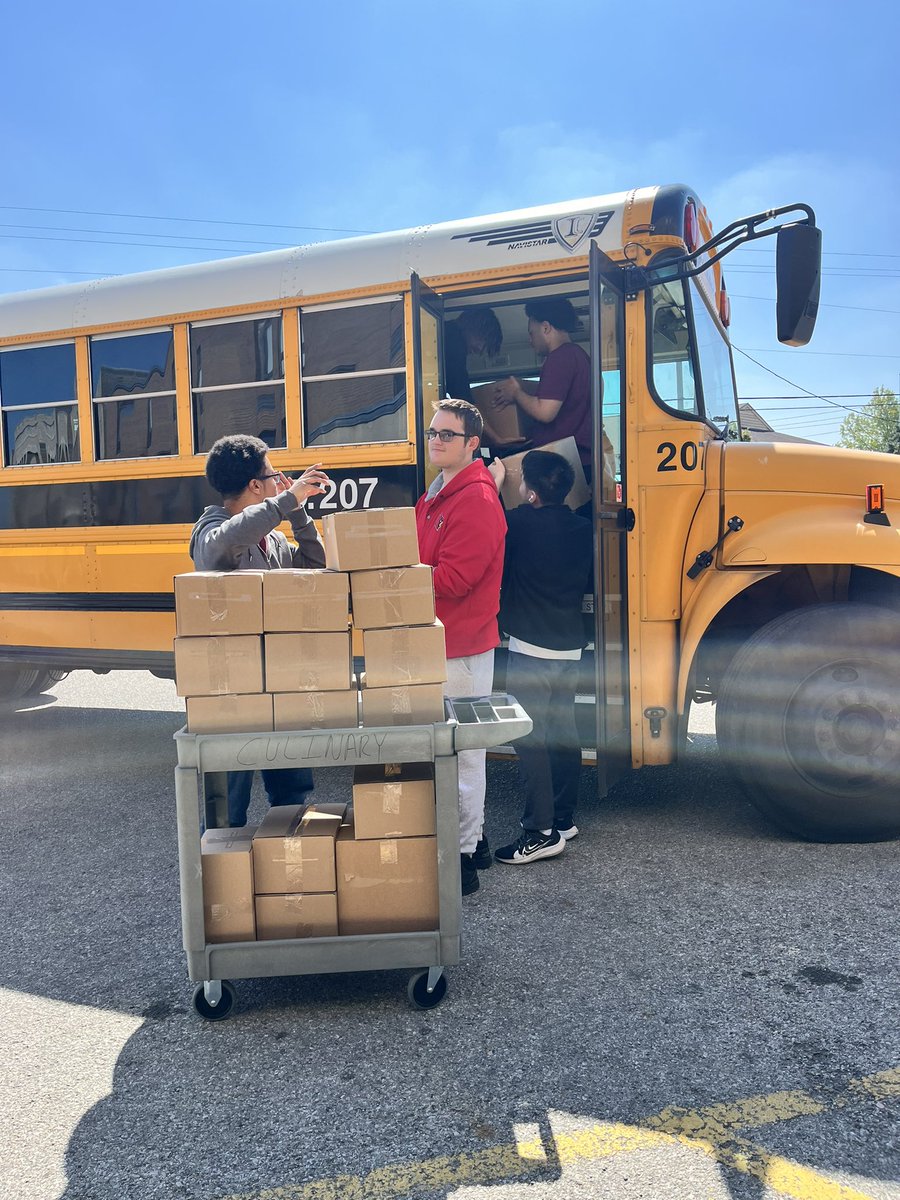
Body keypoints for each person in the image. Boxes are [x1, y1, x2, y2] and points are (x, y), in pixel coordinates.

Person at [189, 434, 330, 827]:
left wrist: (299, 514)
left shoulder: (273, 537)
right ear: (255, 485)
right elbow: (222, 546)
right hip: (232, 687)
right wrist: (288, 500)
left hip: (282, 681)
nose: (279, 481)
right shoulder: (210, 529)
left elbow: (314, 566)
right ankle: (220, 880)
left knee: (292, 795)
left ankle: (290, 873)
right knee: (227, 805)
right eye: (273, 475)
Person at [415, 399, 507, 896]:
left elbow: (455, 578)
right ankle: (474, 842)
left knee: (463, 757)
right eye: (433, 432)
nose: (436, 440)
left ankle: (465, 858)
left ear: (473, 443)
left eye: (447, 435)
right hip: (443, 643)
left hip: (463, 650)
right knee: (454, 753)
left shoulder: (475, 499)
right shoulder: (437, 495)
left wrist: (398, 578)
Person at [488, 450, 593, 865]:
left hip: (531, 648)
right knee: (563, 733)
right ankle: (564, 818)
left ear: (531, 491)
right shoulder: (583, 527)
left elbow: (488, 531)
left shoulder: (517, 523)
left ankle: (539, 832)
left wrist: (494, 485)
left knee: (529, 740)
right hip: (570, 647)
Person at [493, 297, 592, 470]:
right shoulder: (581, 357)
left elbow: (545, 412)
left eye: (532, 332)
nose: (530, 340)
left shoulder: (560, 357)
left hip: (560, 464)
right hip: (578, 460)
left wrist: (516, 393)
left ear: (546, 328)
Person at [443, 306, 503, 402]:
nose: (479, 351)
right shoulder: (454, 342)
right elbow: (460, 388)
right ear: (474, 327)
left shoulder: (444, 331)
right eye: (483, 341)